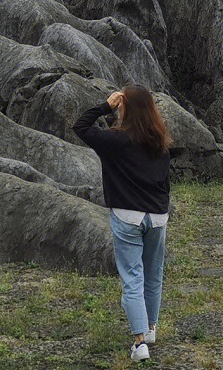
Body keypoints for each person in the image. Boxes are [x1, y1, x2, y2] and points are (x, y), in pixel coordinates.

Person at [74, 85, 173, 363]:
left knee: (132, 278)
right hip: (156, 217)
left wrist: (105, 106)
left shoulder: (114, 141)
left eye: (121, 103)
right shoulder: (160, 143)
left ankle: (140, 343)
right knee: (154, 275)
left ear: (125, 107)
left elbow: (80, 126)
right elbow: (165, 184)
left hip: (127, 215)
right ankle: (150, 328)